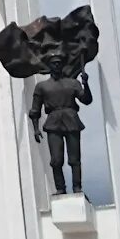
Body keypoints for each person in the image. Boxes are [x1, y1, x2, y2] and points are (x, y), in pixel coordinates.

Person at [29, 54, 92, 194]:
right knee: (56, 160)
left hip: (71, 120)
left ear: (62, 65)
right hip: (53, 122)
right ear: (49, 66)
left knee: (75, 159)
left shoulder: (73, 83)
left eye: (59, 63)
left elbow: (87, 100)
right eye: (54, 63)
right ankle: (60, 189)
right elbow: (35, 110)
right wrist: (36, 129)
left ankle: (77, 187)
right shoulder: (42, 86)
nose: (57, 65)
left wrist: (85, 84)